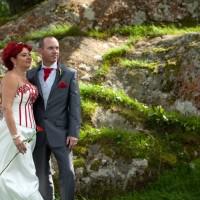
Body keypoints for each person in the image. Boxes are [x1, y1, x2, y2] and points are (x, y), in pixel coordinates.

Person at [27, 36, 81, 200]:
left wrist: (74, 132)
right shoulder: (30, 74)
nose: (55, 51)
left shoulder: (69, 74)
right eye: (50, 48)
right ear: (40, 51)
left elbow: (75, 106)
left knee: (68, 172)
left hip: (63, 133)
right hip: (39, 132)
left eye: (57, 48)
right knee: (41, 174)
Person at [0, 42, 43, 200]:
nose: (28, 58)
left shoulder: (25, 78)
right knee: (10, 175)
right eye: (23, 55)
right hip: (15, 130)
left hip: (30, 130)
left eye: (29, 55)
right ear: (13, 59)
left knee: (23, 173)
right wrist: (15, 136)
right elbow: (6, 108)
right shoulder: (11, 77)